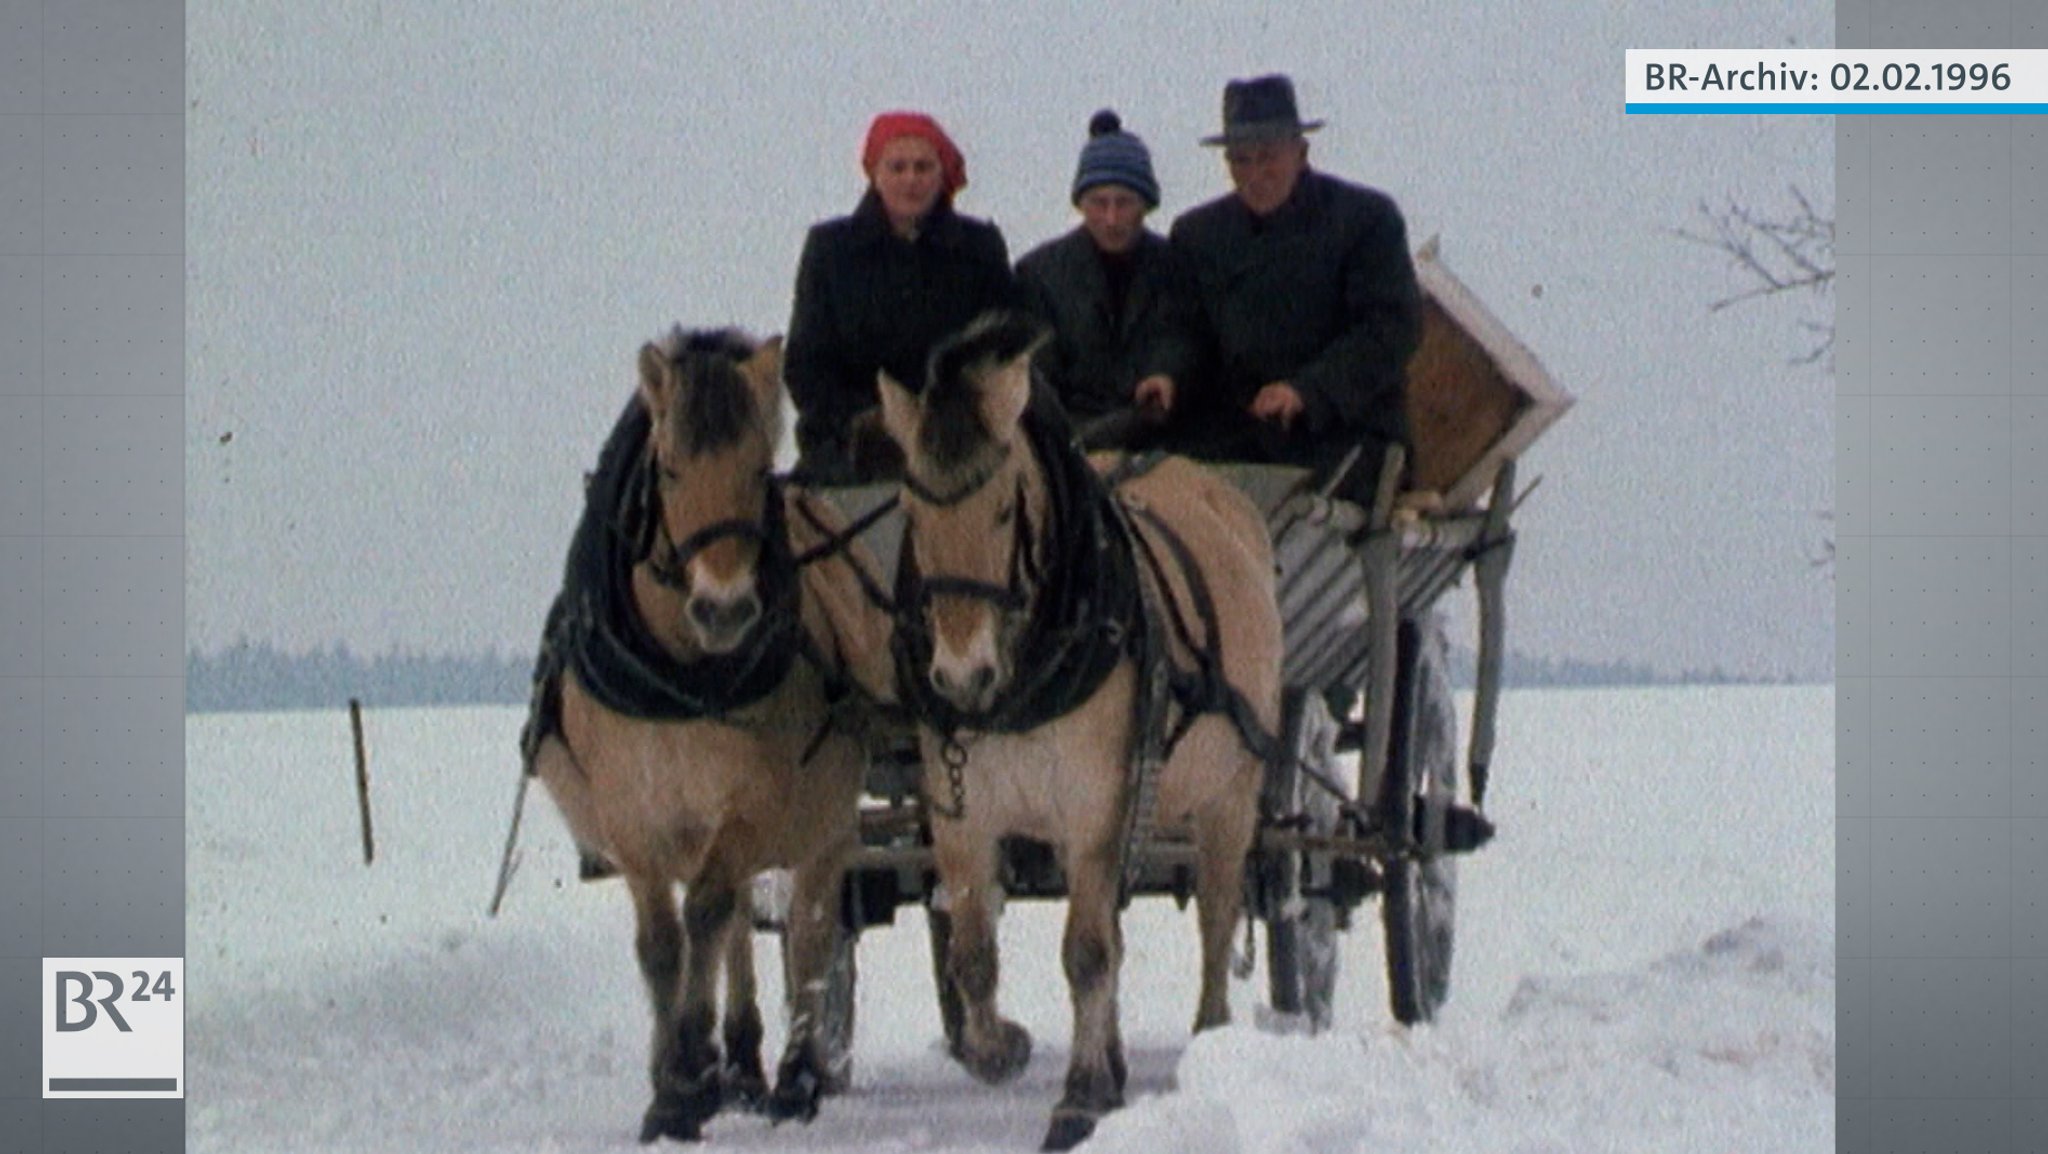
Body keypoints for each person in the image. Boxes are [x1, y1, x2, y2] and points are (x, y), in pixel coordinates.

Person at [1169, 74, 1422, 504]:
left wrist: (1308, 392)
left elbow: (1393, 327)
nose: (1255, 174)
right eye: (1241, 160)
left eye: (1267, 157)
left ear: (1301, 152)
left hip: (1346, 439)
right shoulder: (1198, 236)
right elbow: (1185, 335)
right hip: (1237, 440)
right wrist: (1168, 376)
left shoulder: (1365, 220)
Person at [784, 111, 1021, 484]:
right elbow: (806, 363)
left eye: (923, 167)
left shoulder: (979, 249)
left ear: (942, 175)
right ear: (875, 174)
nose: (910, 179)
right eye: (897, 167)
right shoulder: (830, 250)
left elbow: (1002, 348)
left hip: (960, 449)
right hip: (852, 449)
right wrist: (870, 420)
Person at [1013, 110, 1199, 451]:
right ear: (1081, 204)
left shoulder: (1176, 265)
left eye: (1124, 203)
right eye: (1099, 203)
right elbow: (1039, 371)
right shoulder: (1039, 274)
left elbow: (1181, 335)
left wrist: (1167, 376)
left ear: (1145, 204)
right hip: (1072, 441)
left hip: (1161, 437)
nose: (1111, 218)